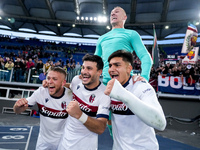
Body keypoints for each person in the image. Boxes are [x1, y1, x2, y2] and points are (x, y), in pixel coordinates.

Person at [104, 50, 166, 150]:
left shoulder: (141, 87)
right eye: (110, 65)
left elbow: (160, 124)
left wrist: (123, 95)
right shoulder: (109, 88)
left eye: (117, 65)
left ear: (129, 69)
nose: (112, 69)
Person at [58, 54, 110, 150]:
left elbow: (100, 128)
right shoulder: (76, 80)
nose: (84, 72)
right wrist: (53, 84)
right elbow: (68, 87)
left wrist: (79, 114)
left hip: (85, 146)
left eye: (89, 68)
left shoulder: (104, 95)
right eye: (83, 68)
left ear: (99, 72)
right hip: (64, 144)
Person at [13, 67, 72, 150]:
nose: (50, 81)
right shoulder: (41, 92)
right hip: (43, 142)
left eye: (54, 79)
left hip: (64, 141)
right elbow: (18, 110)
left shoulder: (71, 96)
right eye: (48, 78)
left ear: (63, 83)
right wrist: (17, 106)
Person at [95, 6, 152, 85]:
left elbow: (145, 56)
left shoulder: (132, 34)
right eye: (111, 13)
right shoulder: (101, 38)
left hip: (125, 84)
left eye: (117, 12)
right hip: (106, 84)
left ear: (125, 17)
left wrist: (144, 77)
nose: (113, 14)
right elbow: (94, 62)